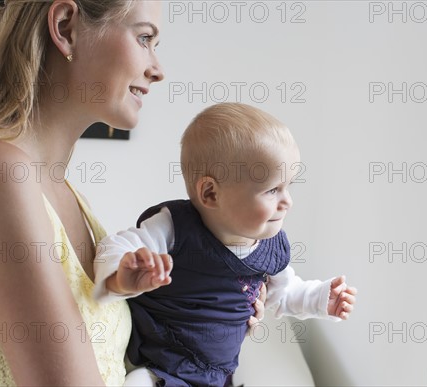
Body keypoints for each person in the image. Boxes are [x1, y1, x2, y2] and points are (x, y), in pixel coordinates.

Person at [0, 2, 269, 386]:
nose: (158, 70)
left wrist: (204, 323)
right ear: (65, 27)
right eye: (144, 38)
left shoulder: (76, 202)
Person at [94, 102, 358, 386]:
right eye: (272, 190)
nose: (288, 202)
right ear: (210, 194)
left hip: (215, 375)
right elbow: (116, 245)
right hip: (159, 363)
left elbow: (284, 293)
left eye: (288, 186)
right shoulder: (175, 227)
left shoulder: (271, 248)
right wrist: (121, 276)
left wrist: (319, 299)